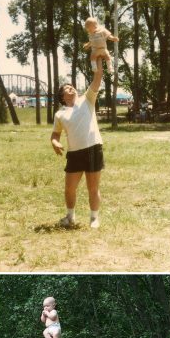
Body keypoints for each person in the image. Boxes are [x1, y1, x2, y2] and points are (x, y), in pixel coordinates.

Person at [51, 58, 104, 229]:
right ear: (62, 97)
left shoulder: (87, 99)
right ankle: (70, 217)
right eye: (66, 88)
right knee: (69, 188)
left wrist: (97, 59)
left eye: (71, 86)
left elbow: (98, 77)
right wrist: (55, 142)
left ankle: (94, 218)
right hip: (74, 153)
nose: (71, 87)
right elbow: (55, 134)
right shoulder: (60, 114)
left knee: (93, 187)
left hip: (93, 148)